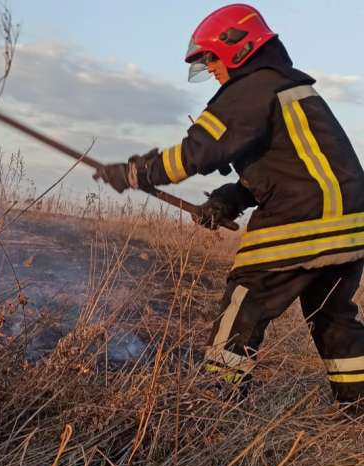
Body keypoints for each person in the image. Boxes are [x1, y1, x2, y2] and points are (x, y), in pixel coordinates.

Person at [96, 4, 364, 412]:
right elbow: (287, 169)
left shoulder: (251, 89)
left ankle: (213, 405)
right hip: (348, 225)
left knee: (245, 302)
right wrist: (229, 200)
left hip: (303, 220)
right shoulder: (287, 88)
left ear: (238, 48)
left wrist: (136, 173)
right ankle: (357, 408)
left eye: (211, 58)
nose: (211, 69)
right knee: (333, 318)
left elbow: (196, 153)